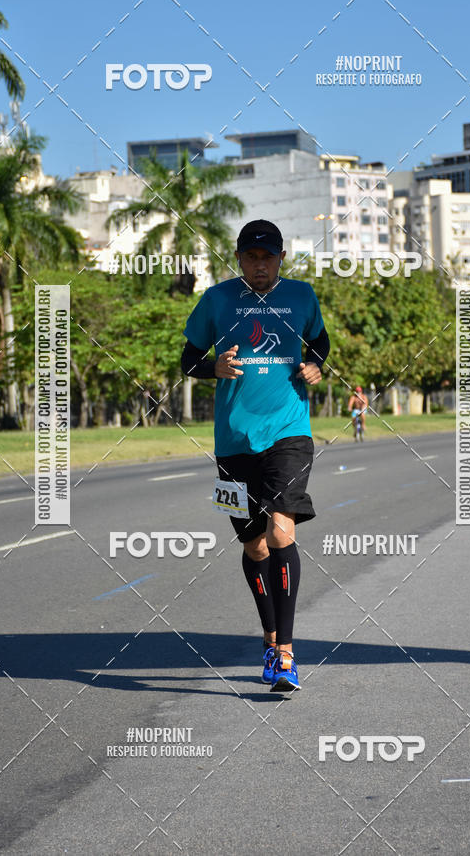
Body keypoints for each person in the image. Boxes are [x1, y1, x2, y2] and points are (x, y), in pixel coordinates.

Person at [180, 219, 330, 692]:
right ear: (239, 258)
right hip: (232, 442)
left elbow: (320, 341)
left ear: (281, 258)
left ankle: (285, 654)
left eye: (267, 257)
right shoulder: (217, 300)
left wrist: (315, 364)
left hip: (289, 431)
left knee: (280, 529)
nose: (259, 265)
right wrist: (212, 367)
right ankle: (269, 638)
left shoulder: (302, 296)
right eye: (250, 257)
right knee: (254, 544)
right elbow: (188, 359)